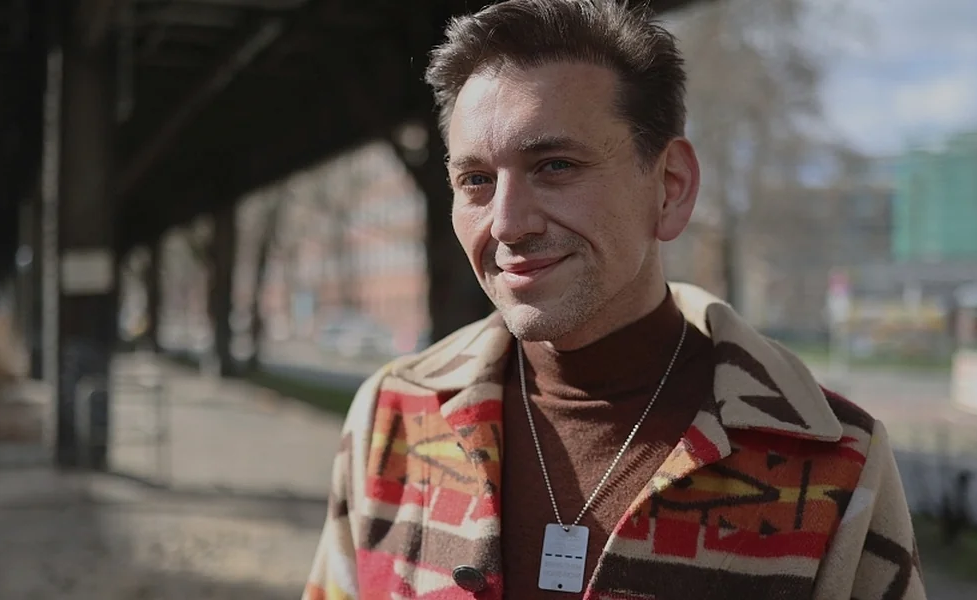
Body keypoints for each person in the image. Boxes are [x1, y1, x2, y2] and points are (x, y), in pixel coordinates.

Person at [304, 1, 925, 598]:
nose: (508, 224)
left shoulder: (833, 459)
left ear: (670, 187)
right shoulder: (393, 416)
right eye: (476, 180)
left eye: (555, 166)